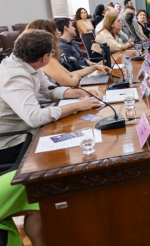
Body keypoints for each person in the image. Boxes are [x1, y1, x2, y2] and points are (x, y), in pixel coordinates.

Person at [0, 30, 104, 246]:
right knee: (56, 168)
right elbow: (34, 117)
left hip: (26, 133)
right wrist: (77, 106)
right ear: (46, 57)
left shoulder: (28, 64)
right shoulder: (15, 75)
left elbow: (48, 92)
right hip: (12, 143)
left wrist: (77, 94)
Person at [26, 20, 111, 85]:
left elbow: (70, 74)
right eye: (57, 34)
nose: (58, 37)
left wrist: (95, 67)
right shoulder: (46, 58)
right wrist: (77, 77)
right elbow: (70, 82)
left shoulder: (49, 55)